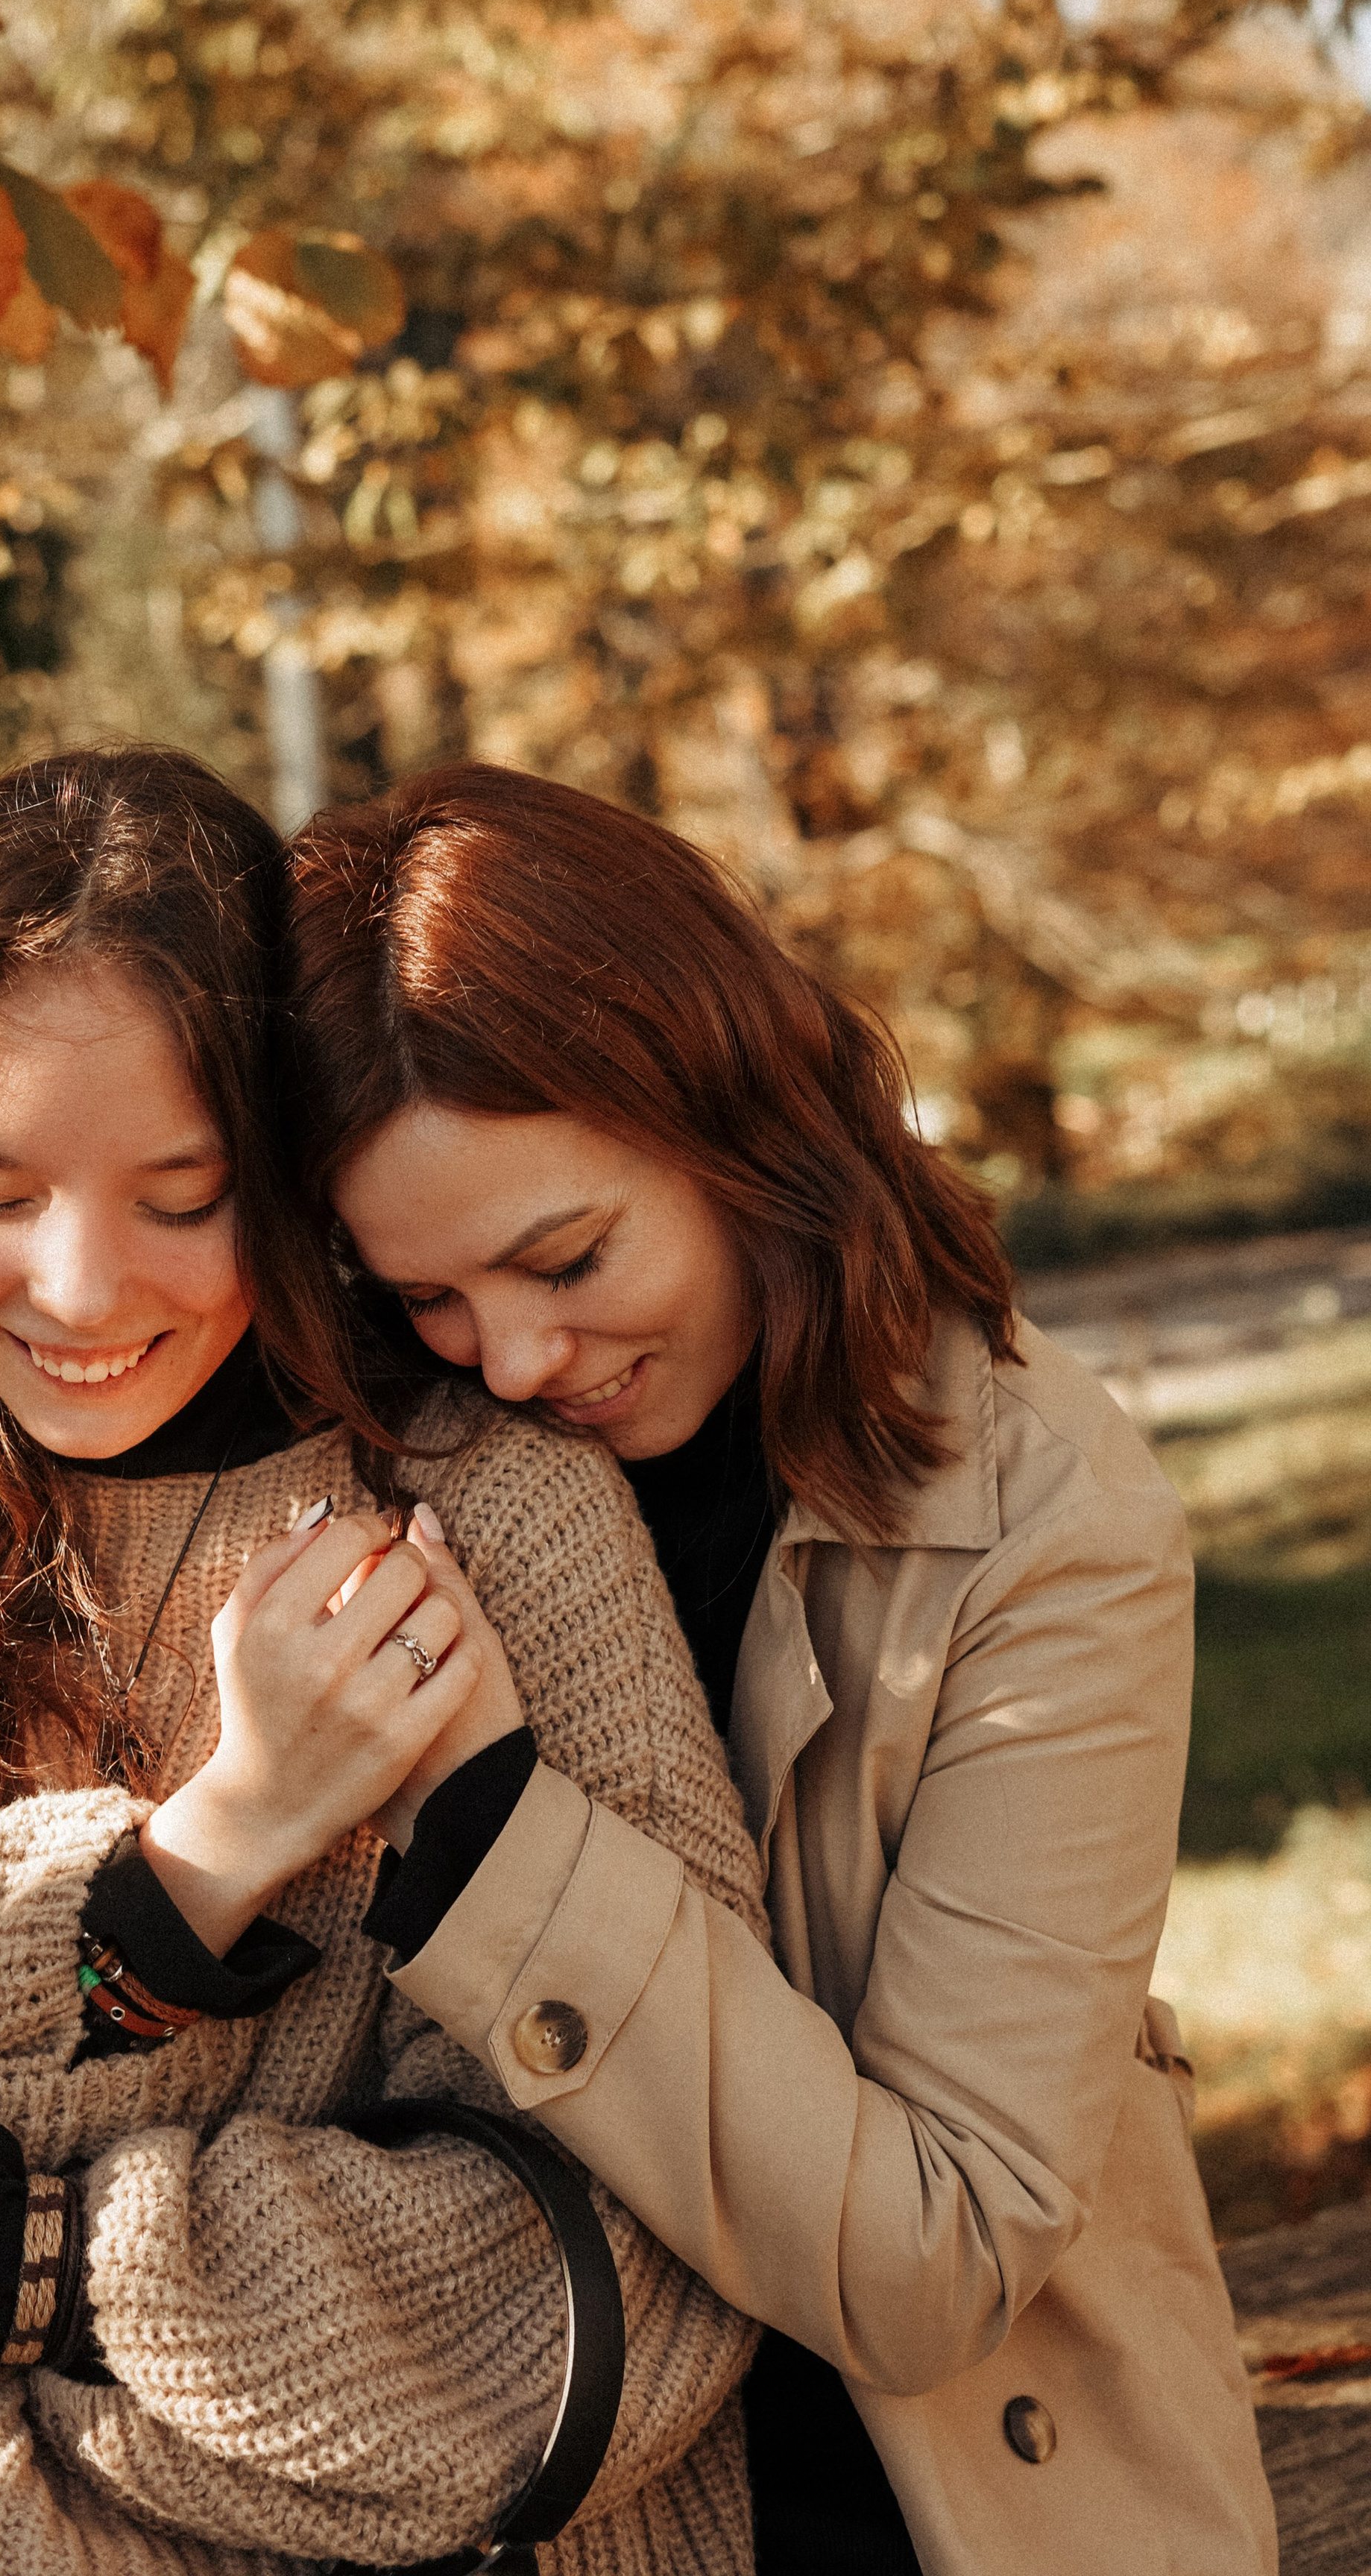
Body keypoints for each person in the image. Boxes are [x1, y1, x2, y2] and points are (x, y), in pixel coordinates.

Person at [0, 748, 765, 2576]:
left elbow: (632, 2264)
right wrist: (211, 1851)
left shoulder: (487, 1516)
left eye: (179, 1191)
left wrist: (12, 2264)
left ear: (289, 1172)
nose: (76, 1289)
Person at [253, 762, 1275, 2576]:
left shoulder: (1042, 1517)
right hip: (535, 2476)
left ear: (740, 1122)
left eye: (562, 1256)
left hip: (945, 2510)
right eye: (425, 1299)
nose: (508, 1358)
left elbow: (935, 2256)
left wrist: (496, 1835)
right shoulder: (388, 1460)